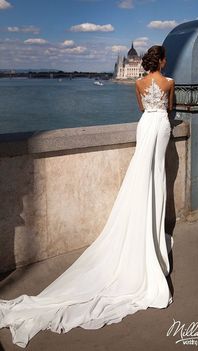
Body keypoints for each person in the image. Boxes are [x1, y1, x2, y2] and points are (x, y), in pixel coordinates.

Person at [0, 45, 175, 348]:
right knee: (156, 180)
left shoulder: (138, 83)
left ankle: (143, 234)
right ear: (161, 61)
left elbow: (141, 108)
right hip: (160, 126)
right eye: (165, 57)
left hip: (146, 126)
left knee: (142, 178)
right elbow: (170, 107)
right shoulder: (170, 82)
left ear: (143, 62)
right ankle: (152, 240)